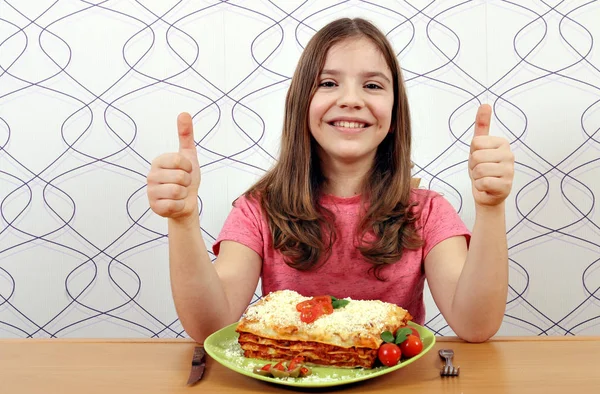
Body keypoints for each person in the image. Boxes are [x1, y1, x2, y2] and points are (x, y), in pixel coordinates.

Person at [146, 18, 515, 343]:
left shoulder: (427, 211)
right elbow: (210, 325)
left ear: (395, 109)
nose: (351, 99)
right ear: (300, 102)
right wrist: (182, 221)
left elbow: (476, 325)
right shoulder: (257, 211)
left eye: (372, 85)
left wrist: (491, 208)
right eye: (327, 82)